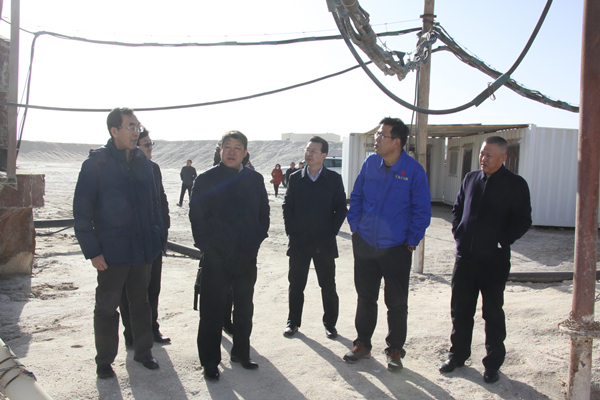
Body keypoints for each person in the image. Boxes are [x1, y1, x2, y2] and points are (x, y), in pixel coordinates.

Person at [73, 107, 163, 379]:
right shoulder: (96, 164)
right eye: (130, 126)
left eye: (137, 126)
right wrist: (93, 252)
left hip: (142, 250)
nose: (136, 132)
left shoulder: (143, 164)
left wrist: (155, 238)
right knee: (106, 307)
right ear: (114, 131)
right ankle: (104, 360)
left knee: (141, 303)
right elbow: (82, 213)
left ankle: (143, 352)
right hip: (111, 253)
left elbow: (154, 206)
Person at [439, 136, 531, 384]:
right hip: (465, 259)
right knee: (460, 310)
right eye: (482, 153)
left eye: (489, 155)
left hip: (494, 262)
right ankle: (457, 356)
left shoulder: (516, 184)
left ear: (503, 157)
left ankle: (492, 364)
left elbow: (524, 220)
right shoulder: (471, 179)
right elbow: (458, 209)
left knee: (492, 313)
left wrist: (501, 241)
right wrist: (459, 233)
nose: (483, 158)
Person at [343, 117, 431, 373]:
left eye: (382, 135)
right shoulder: (370, 163)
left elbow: (421, 211)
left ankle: (395, 350)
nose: (377, 139)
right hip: (365, 243)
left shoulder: (413, 171)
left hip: (396, 248)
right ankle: (362, 344)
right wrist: (355, 226)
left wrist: (411, 242)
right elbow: (357, 196)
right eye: (377, 134)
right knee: (365, 296)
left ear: (397, 142)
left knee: (397, 302)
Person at [189, 130, 270, 382]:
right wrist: (207, 247)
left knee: (244, 308)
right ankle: (210, 361)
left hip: (246, 257)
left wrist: (256, 240)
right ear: (220, 150)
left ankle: (241, 353)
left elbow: (264, 213)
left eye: (237, 147)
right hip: (216, 257)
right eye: (227, 146)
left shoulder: (255, 179)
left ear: (245, 153)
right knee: (212, 311)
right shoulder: (206, 179)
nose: (231, 151)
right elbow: (196, 216)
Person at [282, 136, 347, 339]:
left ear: (324, 155)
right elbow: (287, 207)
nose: (308, 154)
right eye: (307, 149)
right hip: (299, 242)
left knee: (328, 285)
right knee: (296, 285)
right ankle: (293, 322)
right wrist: (292, 231)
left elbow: (341, 208)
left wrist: (331, 231)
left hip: (324, 242)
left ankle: (330, 324)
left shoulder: (333, 179)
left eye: (313, 151)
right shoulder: (295, 178)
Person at [119, 128, 171, 347]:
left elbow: (161, 199)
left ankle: (152, 328)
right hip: (130, 242)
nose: (150, 148)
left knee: (153, 288)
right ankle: (131, 333)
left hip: (153, 240)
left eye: (151, 144)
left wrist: (163, 228)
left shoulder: (154, 168)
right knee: (129, 291)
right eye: (146, 144)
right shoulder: (122, 169)